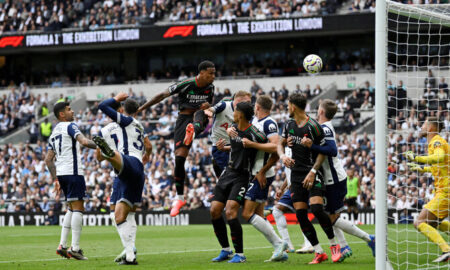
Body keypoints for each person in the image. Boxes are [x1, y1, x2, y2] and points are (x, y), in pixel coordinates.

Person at [138, 61, 215, 217]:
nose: (213, 76)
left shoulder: (210, 88)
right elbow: (161, 95)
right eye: (210, 73)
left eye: (214, 73)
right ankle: (180, 199)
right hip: (183, 119)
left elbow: (208, 107)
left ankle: (193, 131)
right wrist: (141, 109)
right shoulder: (185, 84)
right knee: (179, 159)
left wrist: (207, 106)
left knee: (201, 112)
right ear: (201, 73)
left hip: (199, 116)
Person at [300, 99, 375, 260]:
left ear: (321, 111)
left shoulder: (326, 128)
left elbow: (332, 150)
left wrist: (311, 146)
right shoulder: (322, 127)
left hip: (334, 179)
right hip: (329, 178)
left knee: (332, 218)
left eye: (318, 107)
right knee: (330, 215)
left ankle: (369, 239)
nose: (317, 109)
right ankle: (344, 247)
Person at [277, 93, 342, 264]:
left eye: (288, 105)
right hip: (296, 174)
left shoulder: (313, 126)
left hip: (312, 172)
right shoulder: (288, 124)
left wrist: (313, 171)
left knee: (317, 209)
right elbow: (279, 143)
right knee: (300, 214)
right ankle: (319, 252)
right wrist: (283, 155)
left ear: (294, 106)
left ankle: (334, 245)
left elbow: (322, 151)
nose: (287, 108)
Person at [94, 92, 152, 265]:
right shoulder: (140, 126)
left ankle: (111, 154)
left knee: (117, 217)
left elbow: (102, 106)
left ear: (121, 110)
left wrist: (117, 98)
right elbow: (148, 146)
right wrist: (147, 156)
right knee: (129, 214)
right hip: (139, 171)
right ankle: (131, 249)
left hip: (125, 167)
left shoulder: (115, 125)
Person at [209, 102, 266, 263]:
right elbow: (237, 147)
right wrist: (224, 147)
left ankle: (240, 254)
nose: (232, 113)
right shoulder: (233, 127)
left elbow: (272, 147)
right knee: (214, 210)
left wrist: (262, 170)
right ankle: (226, 250)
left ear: (240, 114)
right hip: (228, 172)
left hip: (242, 176)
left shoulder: (255, 133)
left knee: (231, 211)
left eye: (235, 111)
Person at [235, 95, 288, 262]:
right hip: (256, 172)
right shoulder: (257, 123)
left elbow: (276, 147)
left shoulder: (269, 123)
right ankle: (280, 249)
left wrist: (263, 170)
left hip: (261, 174)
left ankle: (279, 243)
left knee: (246, 213)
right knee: (258, 214)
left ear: (257, 107)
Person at [45, 101, 97, 260]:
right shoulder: (70, 126)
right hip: (73, 172)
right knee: (78, 208)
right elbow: (84, 141)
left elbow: (48, 160)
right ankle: (75, 248)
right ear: (62, 114)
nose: (72, 111)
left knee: (71, 208)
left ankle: (62, 245)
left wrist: (55, 180)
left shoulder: (54, 133)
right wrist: (104, 146)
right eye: (69, 110)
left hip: (62, 174)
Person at [405, 117, 450, 263]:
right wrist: (421, 168)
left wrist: (418, 158)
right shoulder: (436, 142)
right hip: (444, 190)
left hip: (446, 191)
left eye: (424, 124)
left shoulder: (436, 141)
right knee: (433, 223)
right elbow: (438, 165)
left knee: (419, 222)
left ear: (430, 127)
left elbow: (439, 157)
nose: (421, 127)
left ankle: (447, 250)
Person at [204, 90, 252, 177]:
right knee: (228, 176)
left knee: (236, 175)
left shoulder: (245, 113)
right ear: (238, 101)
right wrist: (208, 111)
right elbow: (210, 110)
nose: (250, 104)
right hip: (220, 145)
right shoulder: (224, 105)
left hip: (234, 146)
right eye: (247, 102)